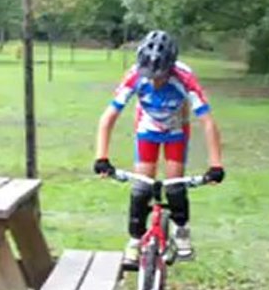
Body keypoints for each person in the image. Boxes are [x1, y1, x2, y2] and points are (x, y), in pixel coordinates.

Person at [93, 30, 224, 267]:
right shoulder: (134, 76)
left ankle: (181, 230)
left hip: (176, 130)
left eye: (160, 76)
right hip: (147, 129)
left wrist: (216, 164)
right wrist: (101, 157)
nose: (154, 81)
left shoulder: (184, 78)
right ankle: (134, 240)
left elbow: (208, 122)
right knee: (141, 187)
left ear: (171, 68)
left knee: (175, 186)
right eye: (150, 76)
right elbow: (108, 117)